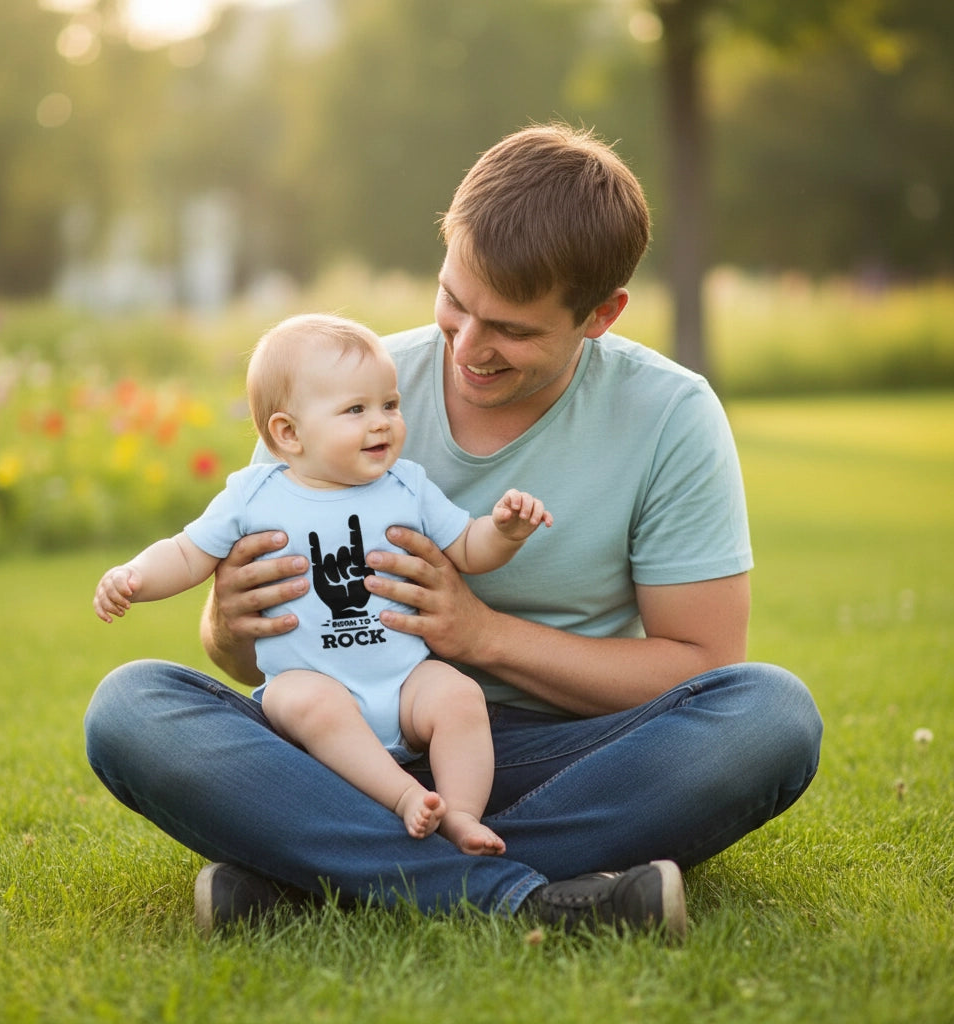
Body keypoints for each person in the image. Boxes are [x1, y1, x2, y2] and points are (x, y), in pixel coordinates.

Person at [85, 122, 822, 940]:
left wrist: (481, 636)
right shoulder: (343, 389)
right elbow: (244, 656)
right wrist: (224, 624)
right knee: (131, 707)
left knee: (770, 717)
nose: (468, 348)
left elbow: (703, 668)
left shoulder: (669, 416)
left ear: (600, 315)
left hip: (555, 760)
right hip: (336, 748)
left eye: (511, 329)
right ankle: (528, 898)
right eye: (454, 302)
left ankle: (319, 874)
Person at [93, 314, 553, 856]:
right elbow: (187, 553)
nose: (381, 423)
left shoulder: (408, 484)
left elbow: (469, 550)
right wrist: (134, 578)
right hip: (310, 686)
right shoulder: (254, 496)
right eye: (356, 410)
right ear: (288, 433)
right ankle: (406, 797)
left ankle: (462, 819)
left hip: (404, 683)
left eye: (389, 404)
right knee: (305, 701)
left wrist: (504, 531)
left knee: (459, 696)